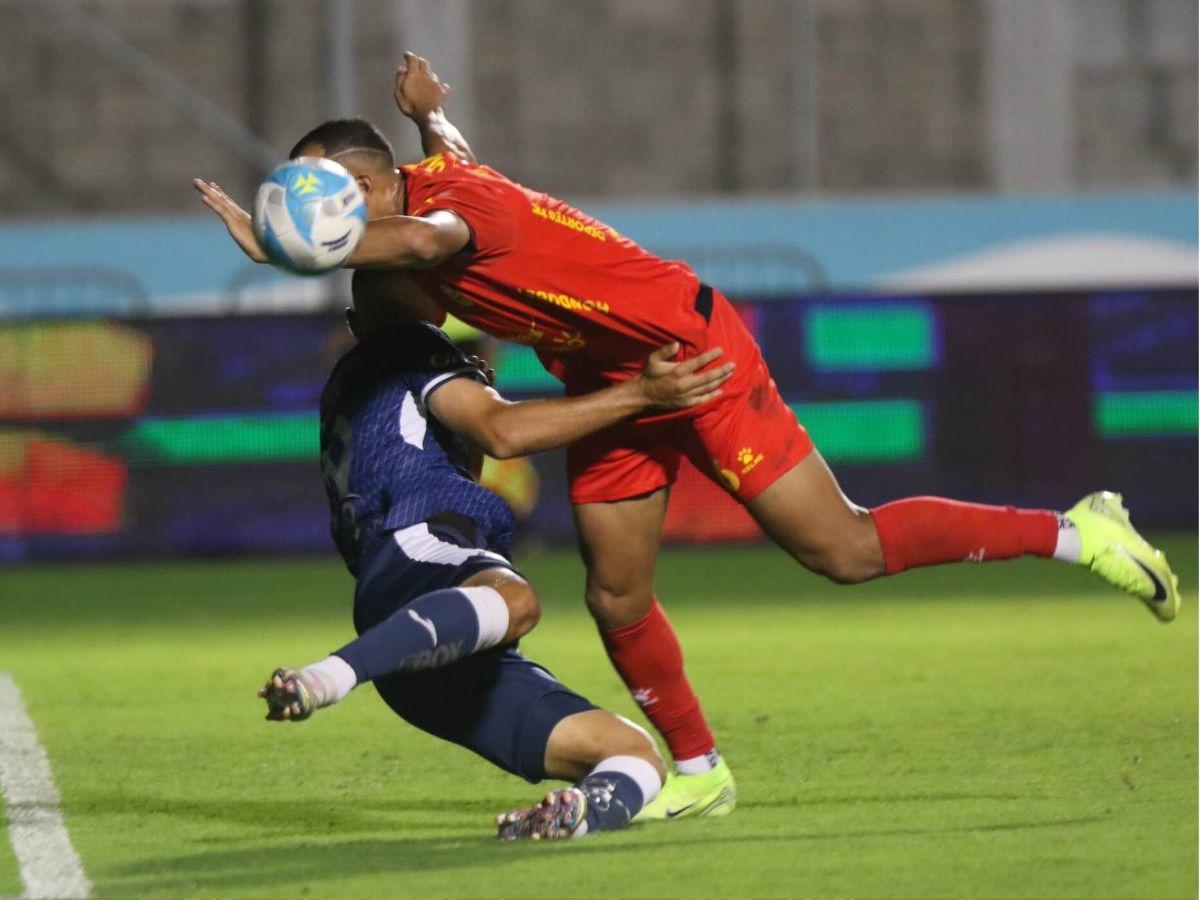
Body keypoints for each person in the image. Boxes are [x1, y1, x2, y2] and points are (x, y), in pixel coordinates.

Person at [200, 53, 1180, 823]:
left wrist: (277, 241)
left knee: (841, 548)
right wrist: (425, 112)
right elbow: (434, 173)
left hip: (691, 353)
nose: (321, 224)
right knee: (615, 592)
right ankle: (700, 773)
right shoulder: (433, 173)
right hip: (618, 380)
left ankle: (1077, 530)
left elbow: (421, 244)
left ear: (368, 185)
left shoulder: (443, 215)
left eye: (326, 200)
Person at [260, 290, 731, 840]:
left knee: (634, 756)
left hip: (420, 634)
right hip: (419, 548)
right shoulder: (412, 345)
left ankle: (573, 817)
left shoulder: (358, 379)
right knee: (517, 600)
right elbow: (503, 432)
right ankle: (326, 678)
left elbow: (463, 463)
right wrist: (642, 393)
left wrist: (467, 399)